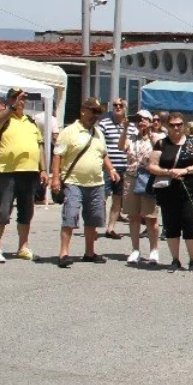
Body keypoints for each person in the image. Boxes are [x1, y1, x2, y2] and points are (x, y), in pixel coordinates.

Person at [50, 98, 119, 268]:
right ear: (83, 111)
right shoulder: (69, 131)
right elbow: (57, 155)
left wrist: (111, 169)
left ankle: (89, 252)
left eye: (98, 112)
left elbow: (103, 154)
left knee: (93, 219)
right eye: (93, 111)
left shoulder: (98, 133)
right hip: (74, 182)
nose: (96, 116)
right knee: (70, 217)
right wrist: (56, 178)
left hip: (96, 183)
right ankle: (64, 253)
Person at [0, 88, 46, 263]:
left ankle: (23, 246)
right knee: (3, 211)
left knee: (26, 212)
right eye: (15, 97)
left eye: (23, 98)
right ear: (9, 100)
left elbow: (39, 146)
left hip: (29, 172)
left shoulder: (30, 121)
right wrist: (11, 108)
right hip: (7, 172)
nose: (20, 100)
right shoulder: (3, 119)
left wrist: (43, 169)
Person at [146, 112, 193, 272]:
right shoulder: (161, 144)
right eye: (173, 125)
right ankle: (175, 259)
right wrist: (167, 171)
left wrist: (185, 170)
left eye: (179, 124)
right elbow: (152, 166)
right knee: (171, 223)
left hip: (190, 189)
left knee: (190, 222)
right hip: (168, 189)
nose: (176, 128)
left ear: (184, 125)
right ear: (167, 126)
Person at [123, 109, 160, 264]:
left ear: (151, 121)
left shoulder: (157, 137)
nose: (141, 122)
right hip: (131, 177)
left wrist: (150, 133)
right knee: (133, 216)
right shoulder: (132, 137)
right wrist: (125, 129)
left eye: (145, 119)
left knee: (151, 217)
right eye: (138, 119)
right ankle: (135, 249)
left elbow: (160, 150)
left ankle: (154, 249)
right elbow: (121, 147)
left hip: (148, 178)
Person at [99, 98, 135, 239]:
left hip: (124, 167)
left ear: (126, 108)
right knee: (102, 196)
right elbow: (99, 145)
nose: (118, 107)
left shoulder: (132, 127)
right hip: (107, 167)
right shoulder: (104, 124)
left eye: (121, 105)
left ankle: (110, 228)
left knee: (118, 199)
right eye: (115, 105)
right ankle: (94, 225)